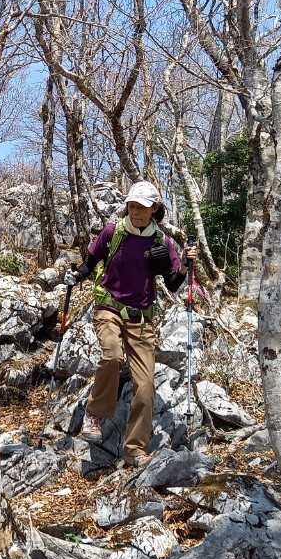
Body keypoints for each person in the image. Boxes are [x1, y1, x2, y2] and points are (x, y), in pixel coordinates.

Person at [62, 180, 196, 468]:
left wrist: (185, 264)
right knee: (112, 355)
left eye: (142, 207)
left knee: (145, 386)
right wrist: (76, 276)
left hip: (141, 317)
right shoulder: (114, 231)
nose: (136, 212)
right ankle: (95, 414)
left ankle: (134, 449)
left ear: (154, 209)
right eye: (132, 206)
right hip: (109, 306)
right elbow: (91, 261)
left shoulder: (162, 242)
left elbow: (173, 283)